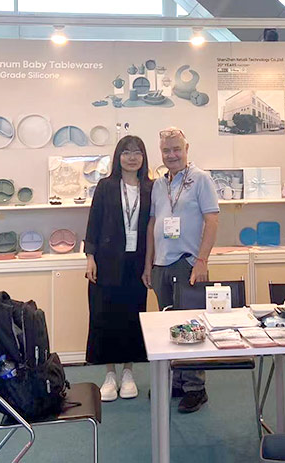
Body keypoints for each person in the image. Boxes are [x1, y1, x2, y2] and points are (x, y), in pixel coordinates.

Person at [143, 127, 219, 414]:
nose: (172, 155)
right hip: (161, 265)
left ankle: (196, 388)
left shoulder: (201, 179)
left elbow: (212, 220)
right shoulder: (158, 184)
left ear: (187, 149)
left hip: (188, 263)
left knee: (191, 327)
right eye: (166, 150)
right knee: (169, 327)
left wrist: (202, 261)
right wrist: (149, 263)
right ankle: (177, 380)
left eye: (176, 149)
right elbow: (153, 224)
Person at [84, 135, 153, 402]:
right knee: (105, 317)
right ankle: (110, 375)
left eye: (137, 152)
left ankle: (128, 373)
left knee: (133, 317)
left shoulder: (151, 187)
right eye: (126, 152)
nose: (132, 157)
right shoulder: (106, 186)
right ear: (118, 156)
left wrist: (150, 264)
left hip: (137, 263)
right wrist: (90, 257)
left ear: (144, 157)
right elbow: (94, 222)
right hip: (107, 261)